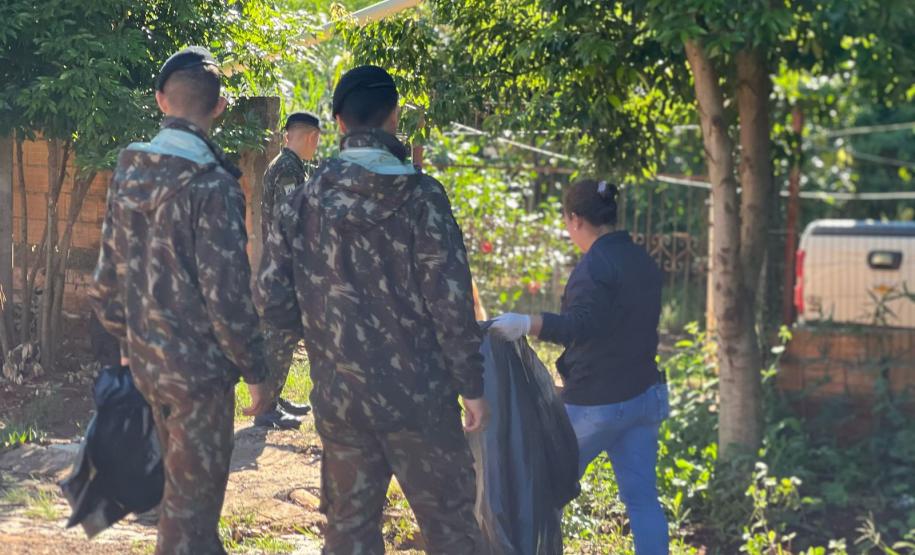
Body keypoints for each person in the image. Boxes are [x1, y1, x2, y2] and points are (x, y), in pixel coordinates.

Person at [256, 65, 487, 554]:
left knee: (349, 533)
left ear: (337, 122)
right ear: (394, 118)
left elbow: (275, 306)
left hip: (342, 403)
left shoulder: (301, 202)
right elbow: (452, 306)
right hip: (421, 401)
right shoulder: (424, 199)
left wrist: (266, 380)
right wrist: (473, 387)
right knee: (452, 531)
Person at [89, 46, 271, 555]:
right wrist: (256, 371)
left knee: (180, 508)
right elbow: (228, 297)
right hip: (199, 379)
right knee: (189, 517)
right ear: (219, 108)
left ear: (160, 101)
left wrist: (126, 342)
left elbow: (107, 278)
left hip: (145, 365)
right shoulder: (214, 185)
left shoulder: (129, 166)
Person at [490, 179, 670, 555]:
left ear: (574, 219)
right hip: (644, 398)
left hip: (598, 406)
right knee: (642, 502)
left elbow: (582, 325)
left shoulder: (595, 267)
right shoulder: (642, 260)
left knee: (541, 489)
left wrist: (528, 322)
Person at [255, 111, 322, 429]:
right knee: (279, 336)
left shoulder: (290, 166)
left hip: (283, 266)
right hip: (284, 268)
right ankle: (265, 409)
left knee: (285, 334)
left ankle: (273, 398)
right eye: (317, 140)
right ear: (312, 137)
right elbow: (290, 222)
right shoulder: (287, 169)